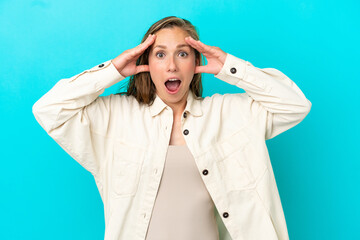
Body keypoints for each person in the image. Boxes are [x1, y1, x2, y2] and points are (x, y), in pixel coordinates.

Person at [32, 16, 312, 240]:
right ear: (146, 63)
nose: (172, 66)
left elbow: (295, 104)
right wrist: (112, 70)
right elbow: (48, 110)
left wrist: (230, 66)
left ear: (196, 62)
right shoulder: (115, 117)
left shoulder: (229, 114)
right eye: (160, 54)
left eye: (183, 53)